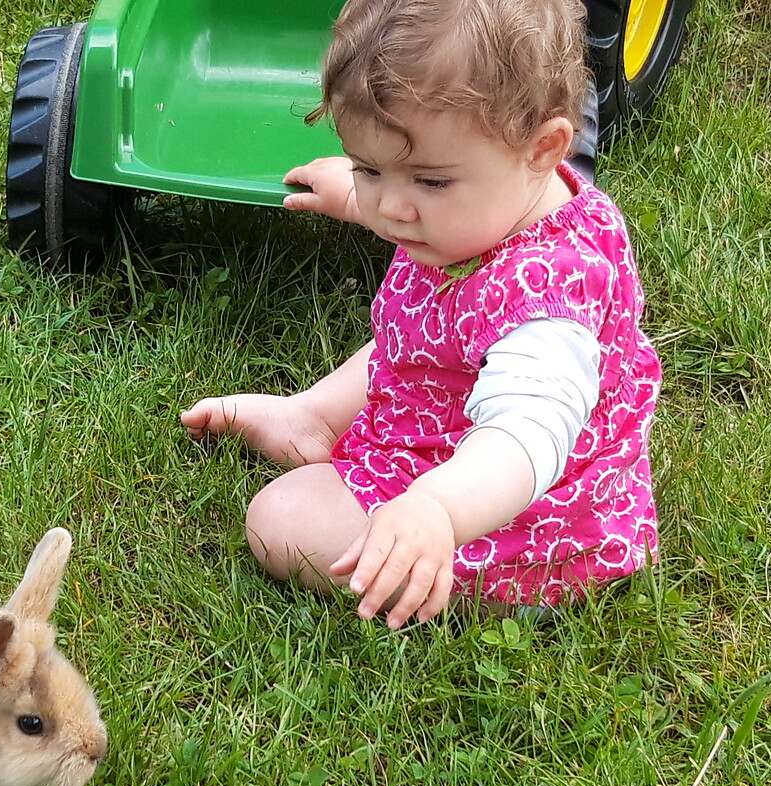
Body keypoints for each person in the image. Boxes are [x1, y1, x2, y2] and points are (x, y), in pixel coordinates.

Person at [181, 0, 661, 629]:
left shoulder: (548, 310)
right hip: (448, 396)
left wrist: (436, 510)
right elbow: (406, 204)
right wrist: (352, 193)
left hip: (509, 504)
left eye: (430, 182)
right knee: (403, 339)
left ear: (544, 148)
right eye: (370, 167)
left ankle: (443, 563)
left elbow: (526, 438)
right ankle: (314, 417)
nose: (394, 209)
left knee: (281, 520)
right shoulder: (502, 200)